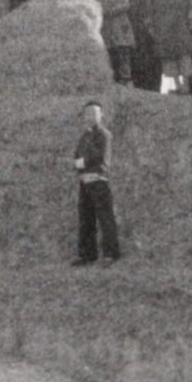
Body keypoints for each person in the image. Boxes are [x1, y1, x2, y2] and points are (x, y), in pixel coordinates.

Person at [71, 100, 122, 266]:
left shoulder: (104, 135)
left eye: (94, 113)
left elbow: (99, 157)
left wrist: (80, 163)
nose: (90, 116)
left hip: (99, 181)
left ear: (102, 115)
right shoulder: (84, 136)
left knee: (105, 219)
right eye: (87, 113)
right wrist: (79, 165)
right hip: (85, 182)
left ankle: (111, 254)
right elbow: (76, 155)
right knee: (86, 219)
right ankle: (87, 254)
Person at [121, 0, 162, 92]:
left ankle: (154, 91)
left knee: (155, 58)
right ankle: (138, 91)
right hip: (135, 22)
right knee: (137, 56)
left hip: (156, 23)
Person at [98, 0, 135, 85]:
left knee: (123, 55)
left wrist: (110, 11)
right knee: (110, 56)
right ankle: (113, 79)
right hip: (107, 32)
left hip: (121, 31)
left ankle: (126, 79)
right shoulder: (99, 0)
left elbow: (125, 5)